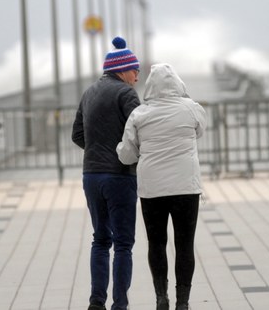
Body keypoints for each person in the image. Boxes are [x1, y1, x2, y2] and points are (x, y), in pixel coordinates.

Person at [116, 63, 207, 310]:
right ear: (178, 84)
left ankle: (161, 297)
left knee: (156, 243)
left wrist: (122, 149)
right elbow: (200, 132)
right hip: (186, 188)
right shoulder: (191, 109)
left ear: (150, 87)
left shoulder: (139, 114)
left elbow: (127, 155)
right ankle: (183, 302)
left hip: (152, 189)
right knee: (184, 244)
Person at [71, 36, 141, 310]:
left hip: (91, 175)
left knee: (100, 239)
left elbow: (77, 134)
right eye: (135, 69)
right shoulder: (126, 93)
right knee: (123, 244)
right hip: (120, 176)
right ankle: (120, 305)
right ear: (123, 69)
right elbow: (139, 131)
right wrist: (122, 153)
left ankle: (96, 302)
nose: (137, 76)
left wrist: (97, 149)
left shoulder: (89, 92)